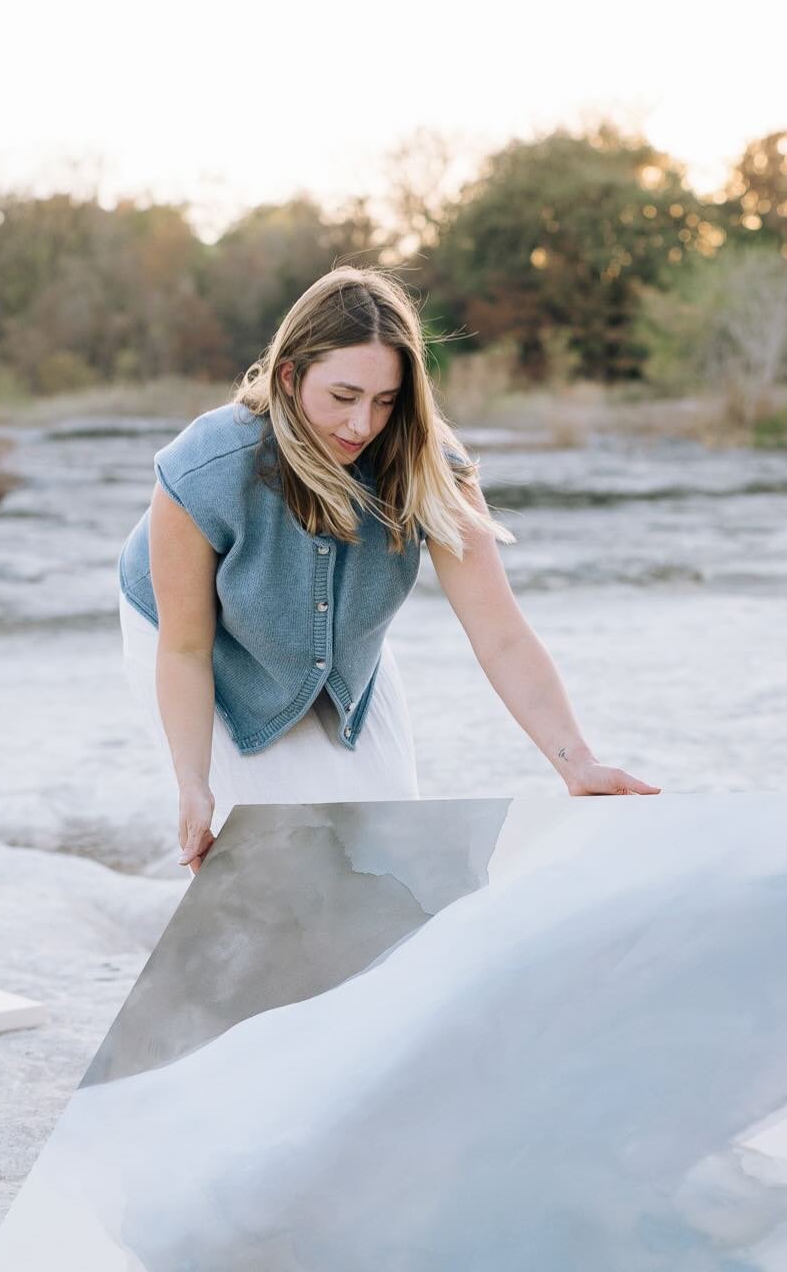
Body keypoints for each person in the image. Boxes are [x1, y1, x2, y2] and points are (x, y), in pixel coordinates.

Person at [116, 265, 660, 875]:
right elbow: (185, 648)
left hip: (341, 643)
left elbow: (500, 635)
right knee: (271, 856)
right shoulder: (204, 469)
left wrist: (575, 761)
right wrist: (193, 782)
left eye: (385, 401)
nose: (362, 425)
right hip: (202, 641)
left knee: (386, 849)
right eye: (343, 397)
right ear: (290, 376)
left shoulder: (430, 468)